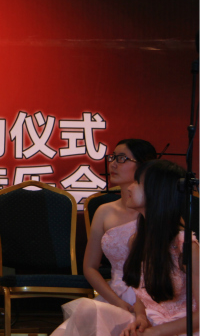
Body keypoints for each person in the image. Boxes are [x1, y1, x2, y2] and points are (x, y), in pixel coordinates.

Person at [56, 159, 198, 336]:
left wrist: (156, 332)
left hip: (181, 327)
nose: (129, 187)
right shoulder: (137, 240)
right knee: (88, 310)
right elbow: (141, 295)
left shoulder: (186, 247)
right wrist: (141, 317)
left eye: (137, 182)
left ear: (157, 192)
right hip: (151, 322)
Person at [51, 139, 158, 336]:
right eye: (113, 158)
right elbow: (90, 267)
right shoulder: (104, 211)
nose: (113, 164)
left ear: (144, 165)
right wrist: (116, 301)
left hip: (154, 296)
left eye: (122, 158)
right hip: (114, 295)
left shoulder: (158, 210)